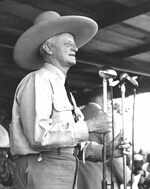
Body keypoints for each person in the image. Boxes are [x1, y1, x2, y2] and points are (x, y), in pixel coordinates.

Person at [10, 11, 131, 189]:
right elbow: (39, 136)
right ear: (48, 48)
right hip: (43, 167)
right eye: (68, 44)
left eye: (74, 45)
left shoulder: (63, 88)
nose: (75, 48)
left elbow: (73, 144)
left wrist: (106, 151)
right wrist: (90, 126)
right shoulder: (39, 80)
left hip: (62, 170)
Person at [77, 87, 132, 189]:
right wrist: (128, 178)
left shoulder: (78, 115)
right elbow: (113, 153)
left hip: (77, 178)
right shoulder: (105, 117)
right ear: (104, 97)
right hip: (98, 178)